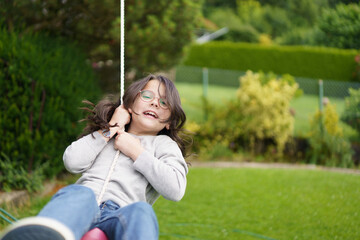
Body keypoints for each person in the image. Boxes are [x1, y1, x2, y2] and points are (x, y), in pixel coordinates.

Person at [1, 74, 189, 240]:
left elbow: (175, 189)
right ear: (129, 104)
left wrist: (136, 152)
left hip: (120, 214)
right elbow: (72, 162)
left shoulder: (164, 145)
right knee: (78, 193)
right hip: (81, 209)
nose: (155, 103)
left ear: (169, 123)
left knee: (142, 211)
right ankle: (44, 234)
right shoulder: (104, 135)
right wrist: (111, 128)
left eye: (164, 102)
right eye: (147, 96)